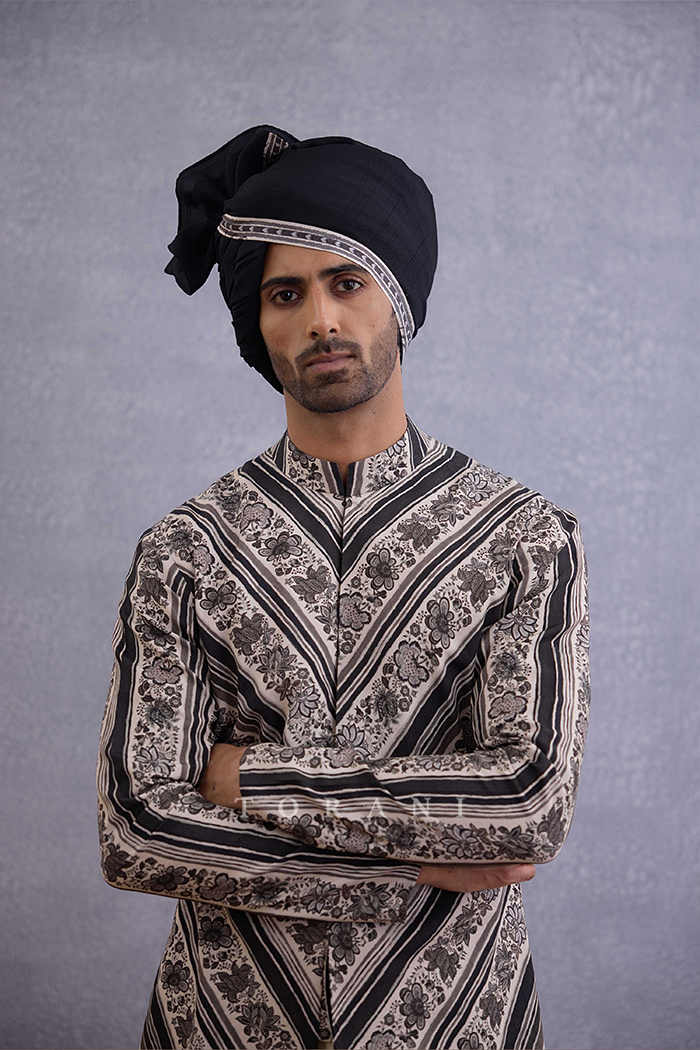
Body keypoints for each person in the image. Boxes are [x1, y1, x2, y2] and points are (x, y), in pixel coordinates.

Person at [97, 125, 590, 1050]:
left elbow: (528, 802)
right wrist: (410, 868)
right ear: (259, 326)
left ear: (397, 300)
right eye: (285, 294)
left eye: (347, 282)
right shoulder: (186, 549)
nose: (321, 319)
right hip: (226, 1021)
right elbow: (136, 826)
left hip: (455, 1022)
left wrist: (243, 776)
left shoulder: (523, 537)